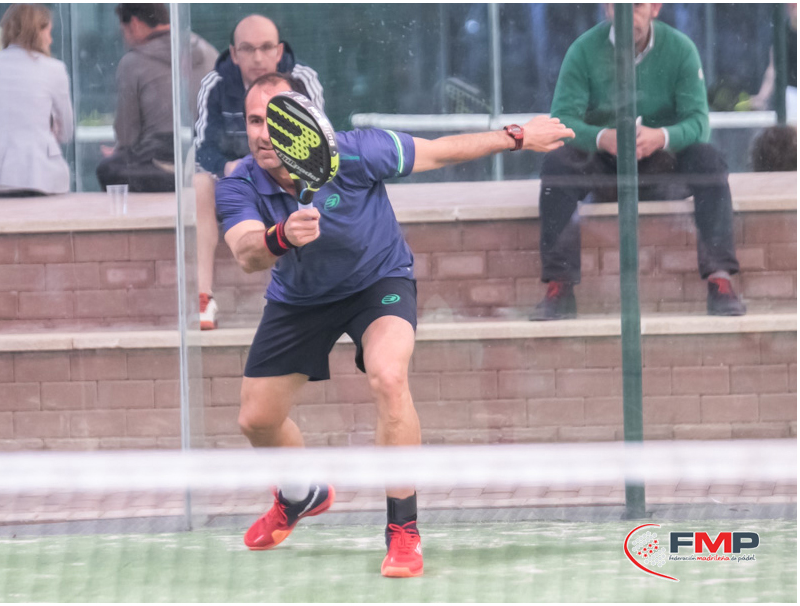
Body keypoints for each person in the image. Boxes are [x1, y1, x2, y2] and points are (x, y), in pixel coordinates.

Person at [215, 72, 574, 578]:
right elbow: (246, 253)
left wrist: (516, 136)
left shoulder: (358, 152)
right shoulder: (238, 182)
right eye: (255, 121)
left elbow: (440, 152)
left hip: (377, 280)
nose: (264, 133)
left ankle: (403, 528)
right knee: (256, 420)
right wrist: (282, 236)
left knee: (388, 375)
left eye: (278, 121)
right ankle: (300, 494)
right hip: (300, 300)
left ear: (309, 122)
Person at [532, 3, 746, 321]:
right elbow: (561, 121)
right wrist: (602, 138)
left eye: (637, 5)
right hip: (604, 165)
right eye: (619, 5)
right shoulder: (583, 50)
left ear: (655, 7)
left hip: (663, 164)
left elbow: (699, 123)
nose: (627, 13)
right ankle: (559, 286)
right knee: (556, 165)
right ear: (606, 7)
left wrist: (661, 137)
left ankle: (720, 280)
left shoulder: (680, 49)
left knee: (709, 160)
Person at [191, 14, 324, 330]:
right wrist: (227, 166)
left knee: (318, 183)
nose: (258, 58)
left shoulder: (303, 80)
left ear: (279, 51)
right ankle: (204, 297)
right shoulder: (215, 84)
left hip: (287, 174)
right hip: (236, 178)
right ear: (234, 54)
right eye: (248, 49)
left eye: (266, 48)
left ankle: (317, 290)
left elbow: (319, 142)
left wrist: (281, 164)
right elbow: (203, 148)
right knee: (199, 183)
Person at [96, 3, 218, 193]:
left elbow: (127, 135)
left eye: (123, 31)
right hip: (206, 156)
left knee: (108, 169)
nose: (125, 39)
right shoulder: (208, 50)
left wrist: (119, 151)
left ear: (134, 24)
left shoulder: (132, 62)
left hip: (158, 162)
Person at [0, 4, 73, 195]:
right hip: (38, 175)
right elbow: (67, 132)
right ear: (37, 32)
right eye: (48, 32)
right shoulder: (54, 69)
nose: (50, 39)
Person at [747, 3, 797, 123]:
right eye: (792, 7)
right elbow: (773, 69)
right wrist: (761, 97)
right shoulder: (782, 35)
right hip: (792, 93)